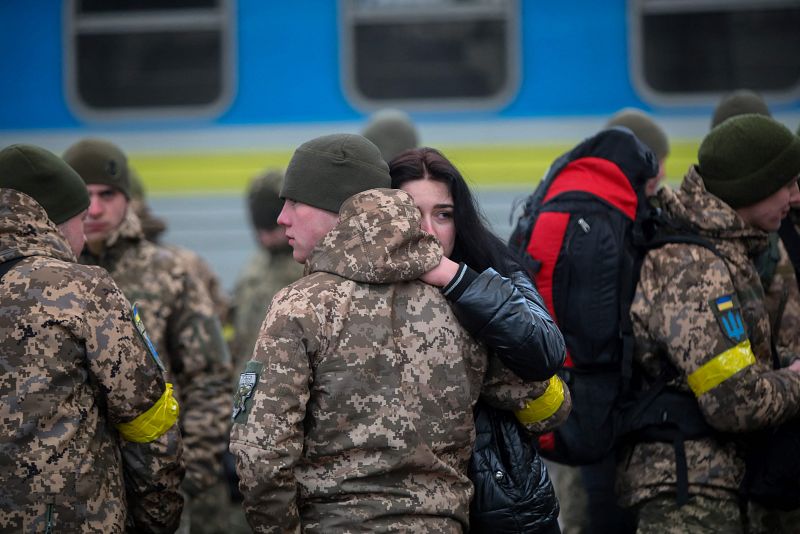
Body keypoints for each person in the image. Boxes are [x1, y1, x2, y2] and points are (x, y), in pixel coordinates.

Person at [230, 133, 569, 532]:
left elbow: (262, 455)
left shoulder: (300, 306)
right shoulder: (456, 303)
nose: (282, 217)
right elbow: (551, 407)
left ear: (334, 208)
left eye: (294, 202)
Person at [616, 114, 800, 533]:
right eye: (786, 184)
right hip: (687, 491)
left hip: (710, 483)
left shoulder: (726, 250)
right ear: (750, 187)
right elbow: (735, 402)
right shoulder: (695, 267)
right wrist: (795, 379)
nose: (794, 196)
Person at [0, 144, 184, 532]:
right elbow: (148, 425)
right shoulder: (81, 289)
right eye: (81, 219)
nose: (83, 236)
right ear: (53, 221)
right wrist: (158, 520)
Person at [389, 146, 569, 532]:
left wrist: (457, 281)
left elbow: (545, 350)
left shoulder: (495, 270)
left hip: (503, 504)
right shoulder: (361, 297)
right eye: (411, 213)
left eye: (443, 215)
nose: (428, 230)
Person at [62, 138, 232, 533]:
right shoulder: (49, 280)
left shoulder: (170, 272)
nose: (97, 209)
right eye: (84, 196)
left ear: (128, 198)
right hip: (78, 497)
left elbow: (210, 376)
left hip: (163, 485)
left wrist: (192, 470)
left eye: (108, 194)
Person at [128, 167, 230, 324]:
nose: (96, 210)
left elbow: (218, 324)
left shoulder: (185, 265)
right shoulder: (80, 268)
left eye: (107, 195)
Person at [229, 169, 303, 370]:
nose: (266, 239)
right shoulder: (255, 265)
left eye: (272, 230)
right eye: (259, 231)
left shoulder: (310, 267)